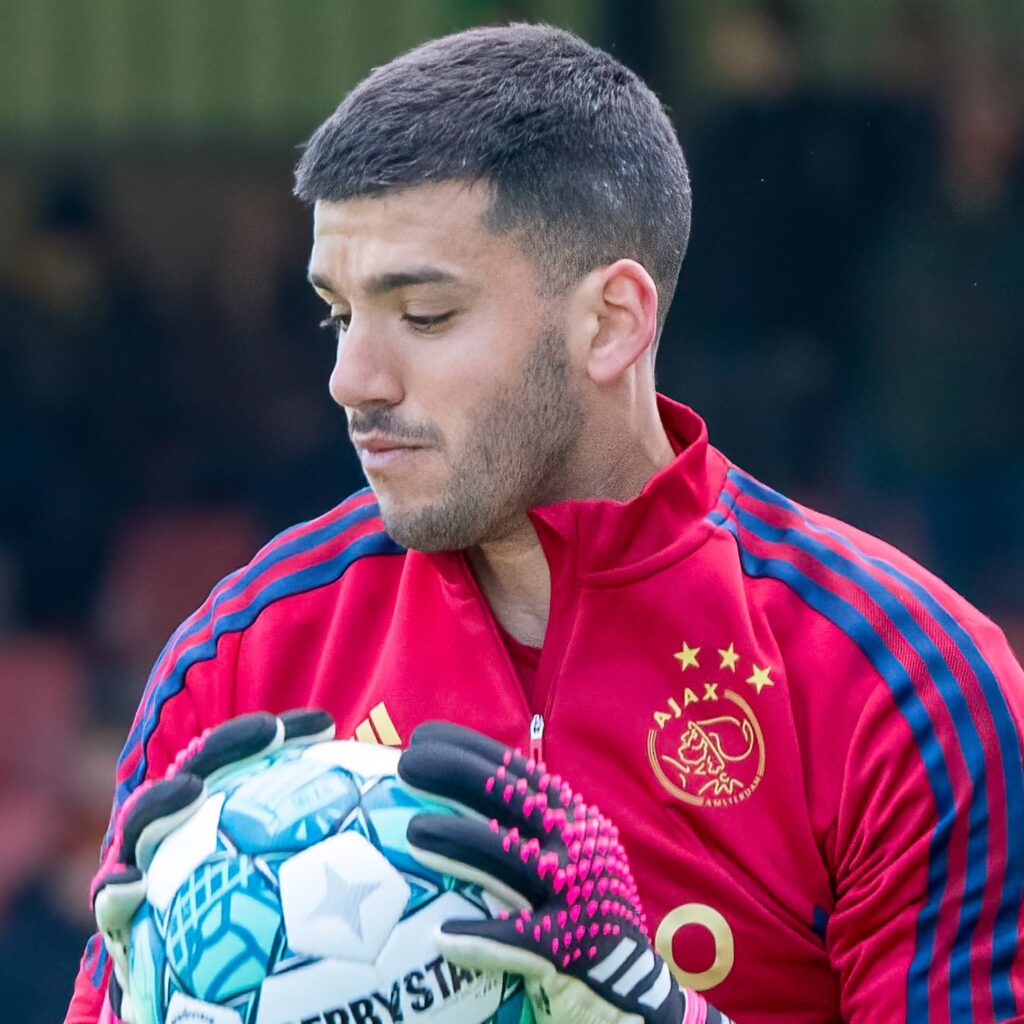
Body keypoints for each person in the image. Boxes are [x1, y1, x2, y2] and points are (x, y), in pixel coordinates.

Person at [65, 23, 1024, 1024]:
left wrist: (653, 1011)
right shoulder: (240, 661)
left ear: (611, 322)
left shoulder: (901, 687)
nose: (352, 380)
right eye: (337, 315)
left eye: (423, 315)